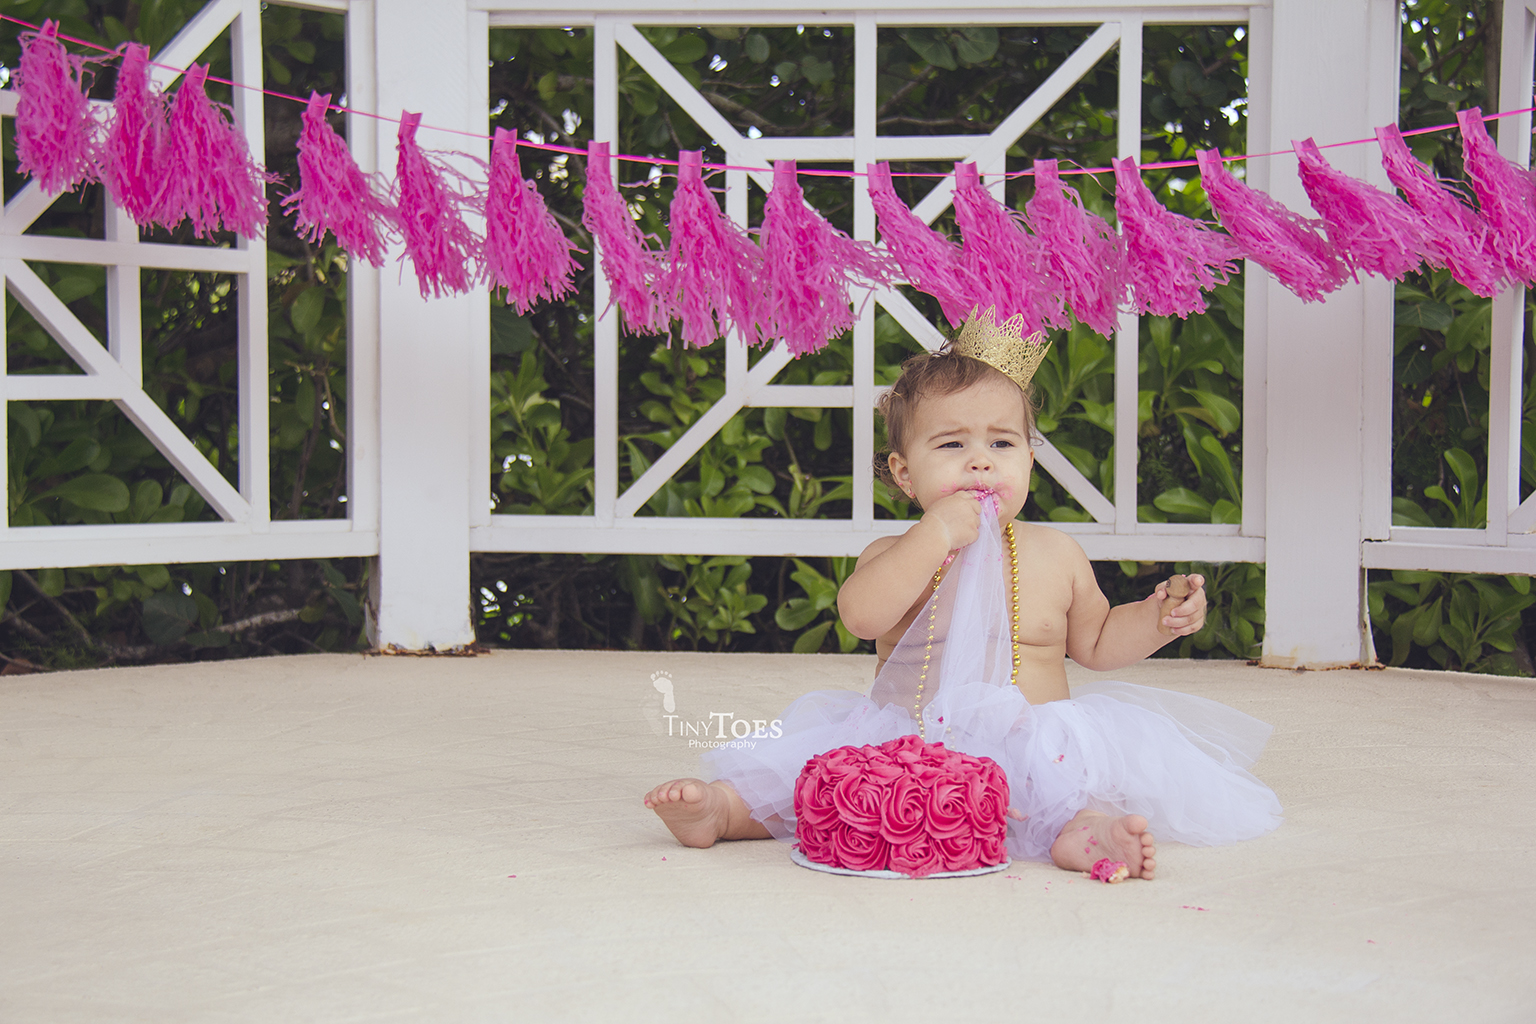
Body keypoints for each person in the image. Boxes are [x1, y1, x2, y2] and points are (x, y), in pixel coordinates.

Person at [643, 308, 1282, 878]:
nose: (981, 462)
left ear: (1029, 461)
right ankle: (722, 812)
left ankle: (1084, 836)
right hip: (906, 742)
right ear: (903, 472)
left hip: (1032, 740)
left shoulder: (1055, 554)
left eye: (1001, 444)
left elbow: (1096, 642)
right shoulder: (894, 554)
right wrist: (933, 536)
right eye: (952, 445)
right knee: (817, 786)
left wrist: (1158, 616)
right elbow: (861, 616)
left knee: (1071, 789)